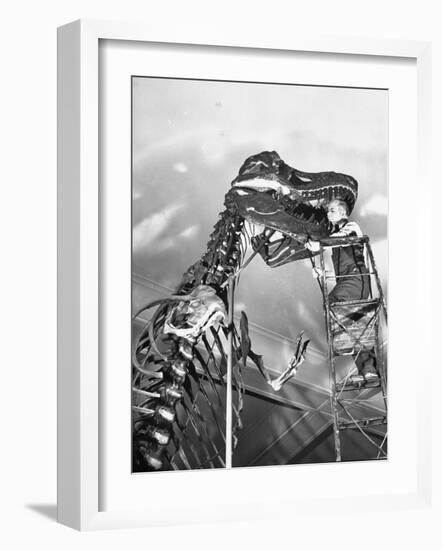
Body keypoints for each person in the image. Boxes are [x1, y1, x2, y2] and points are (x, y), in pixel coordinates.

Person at [306, 199, 378, 383]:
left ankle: (365, 362)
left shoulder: (351, 226)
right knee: (352, 324)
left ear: (343, 213)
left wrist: (319, 244)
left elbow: (340, 240)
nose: (328, 214)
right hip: (350, 279)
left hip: (356, 278)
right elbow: (339, 260)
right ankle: (368, 368)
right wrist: (323, 272)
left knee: (334, 303)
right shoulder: (337, 235)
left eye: (331, 210)